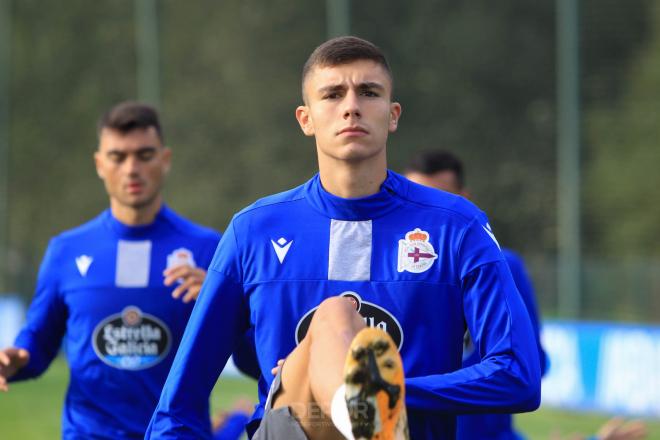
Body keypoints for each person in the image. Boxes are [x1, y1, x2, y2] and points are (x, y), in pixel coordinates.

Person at [147, 36, 541, 440]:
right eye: (333, 94)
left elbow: (518, 374)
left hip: (405, 432)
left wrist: (395, 394)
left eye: (369, 92)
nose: (351, 106)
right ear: (306, 119)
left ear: (393, 115)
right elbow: (178, 405)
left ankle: (366, 413)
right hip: (294, 429)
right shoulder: (253, 231)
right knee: (334, 315)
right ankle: (364, 410)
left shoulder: (457, 226)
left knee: (337, 317)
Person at [0, 102, 223, 439]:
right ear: (99, 164)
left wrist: (220, 302)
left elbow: (250, 352)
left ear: (165, 160)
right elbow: (40, 339)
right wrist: (17, 359)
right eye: (118, 157)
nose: (131, 169)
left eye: (144, 155)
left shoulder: (209, 249)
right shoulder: (66, 250)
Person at [405, 149, 547, 440]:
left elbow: (530, 363)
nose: (430, 213)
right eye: (419, 200)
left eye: (441, 199)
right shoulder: (390, 273)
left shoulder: (501, 266)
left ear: (464, 199)